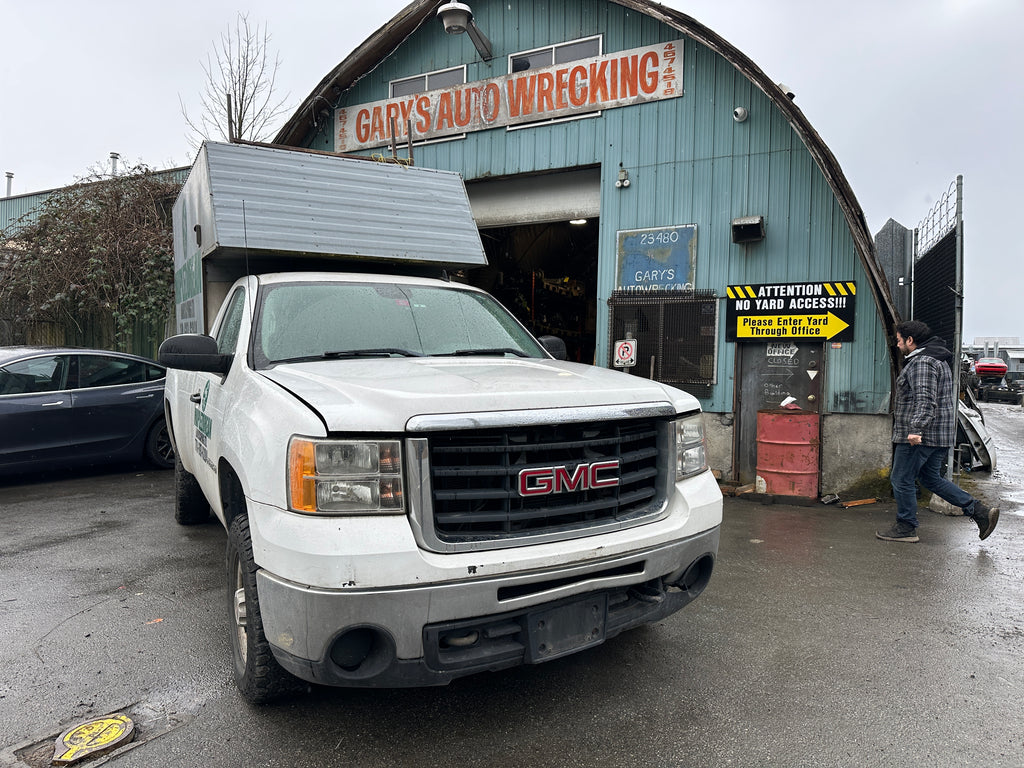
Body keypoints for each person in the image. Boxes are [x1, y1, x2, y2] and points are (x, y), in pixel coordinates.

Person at [876, 320, 999, 543]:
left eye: (899, 340)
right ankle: (979, 511)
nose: (897, 344)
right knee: (931, 479)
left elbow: (925, 400)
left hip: (920, 437)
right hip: (938, 435)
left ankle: (906, 527)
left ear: (910, 341)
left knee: (901, 479)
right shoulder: (935, 359)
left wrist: (915, 430)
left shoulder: (922, 362)